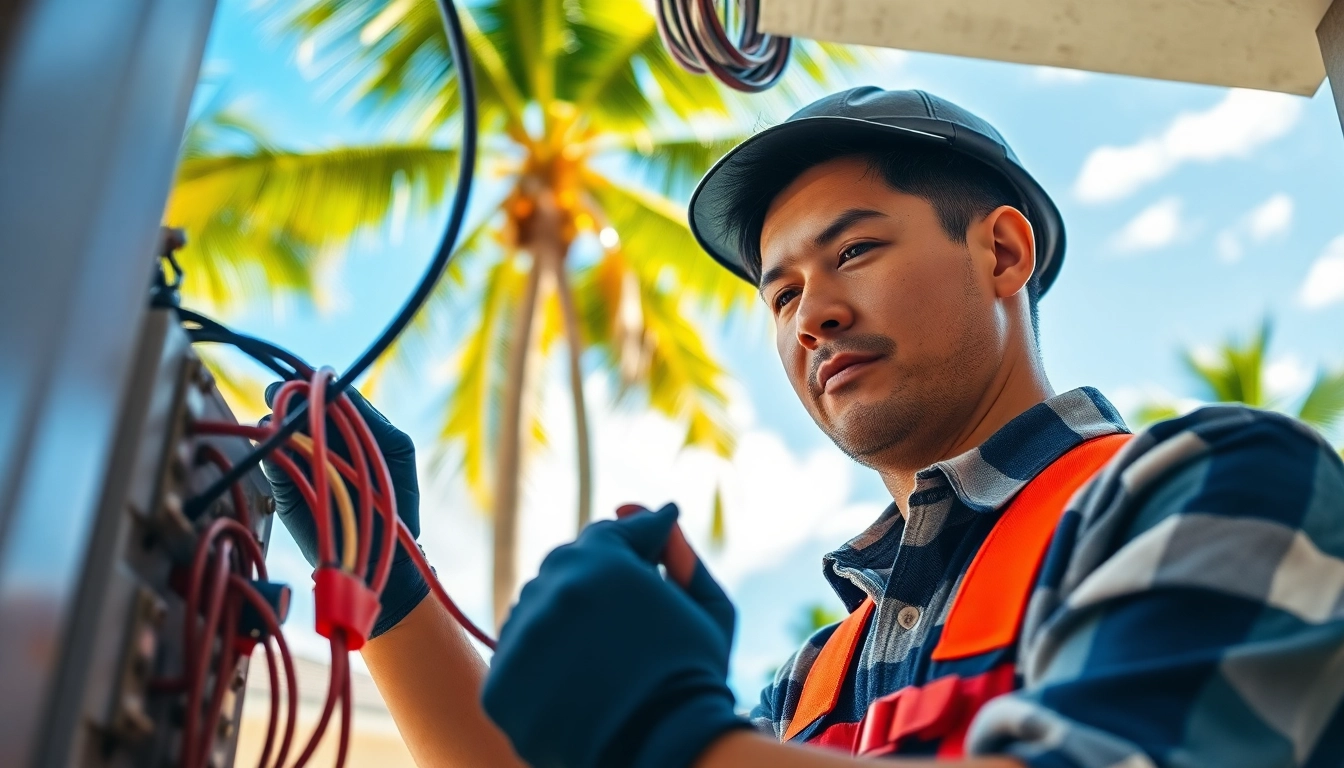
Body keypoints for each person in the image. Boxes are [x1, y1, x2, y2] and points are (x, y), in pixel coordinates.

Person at [264, 88, 1344, 768]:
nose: (812, 313)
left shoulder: (1219, 488)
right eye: (780, 294)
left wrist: (674, 737)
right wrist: (382, 572)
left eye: (855, 251)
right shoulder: (810, 685)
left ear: (1003, 254)